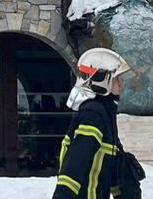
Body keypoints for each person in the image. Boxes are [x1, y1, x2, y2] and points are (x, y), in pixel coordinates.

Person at [52, 48, 141, 199]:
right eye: (116, 79)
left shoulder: (104, 113)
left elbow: (111, 167)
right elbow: (77, 159)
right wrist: (63, 195)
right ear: (102, 80)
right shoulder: (93, 114)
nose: (121, 85)